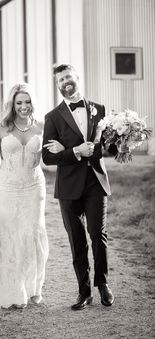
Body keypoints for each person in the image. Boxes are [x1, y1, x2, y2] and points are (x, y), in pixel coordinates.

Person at [42, 64, 115, 310]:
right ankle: (83, 291)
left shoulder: (100, 109)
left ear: (77, 78)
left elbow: (108, 147)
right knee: (77, 240)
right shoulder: (52, 117)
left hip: (95, 181)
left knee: (98, 235)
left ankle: (102, 284)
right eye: (60, 79)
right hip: (69, 187)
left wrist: (124, 141)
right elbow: (48, 158)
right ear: (58, 85)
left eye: (68, 76)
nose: (65, 81)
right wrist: (74, 151)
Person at [0, 83, 50, 309]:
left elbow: (52, 157)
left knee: (33, 234)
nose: (24, 106)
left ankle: (34, 288)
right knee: (10, 234)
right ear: (12, 104)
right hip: (8, 189)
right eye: (19, 102)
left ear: (32, 103)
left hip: (34, 187)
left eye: (27, 102)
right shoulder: (0, 128)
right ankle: (12, 288)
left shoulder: (42, 126)